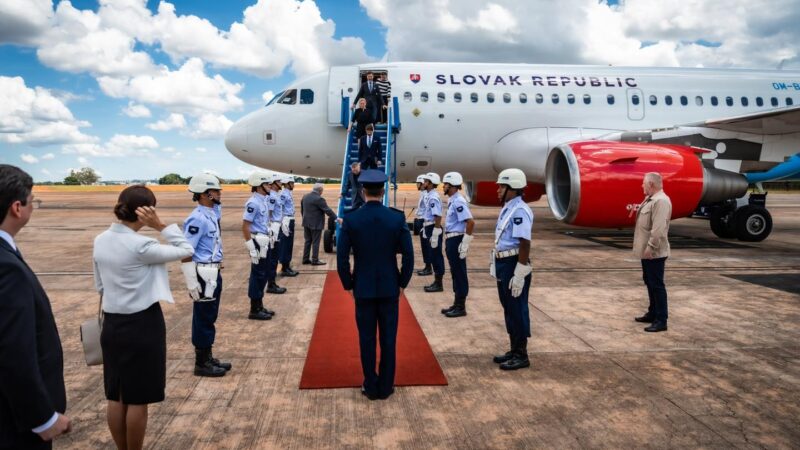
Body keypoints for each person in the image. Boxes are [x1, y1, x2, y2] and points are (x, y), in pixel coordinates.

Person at [93, 185, 195, 450]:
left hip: (112, 324)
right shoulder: (142, 245)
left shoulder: (101, 239)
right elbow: (187, 249)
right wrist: (160, 225)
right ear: (146, 211)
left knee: (116, 395)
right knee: (139, 398)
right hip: (142, 325)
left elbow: (100, 286)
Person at [0, 165, 70, 449]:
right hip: (14, 422)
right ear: (17, 207)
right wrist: (42, 418)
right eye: (32, 200)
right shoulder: (6, 267)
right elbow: (13, 352)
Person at [336, 170, 413, 400]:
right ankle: (386, 386)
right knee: (389, 339)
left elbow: (342, 258)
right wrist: (402, 283)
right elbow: (408, 255)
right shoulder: (396, 218)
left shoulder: (351, 219)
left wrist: (348, 284)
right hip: (390, 288)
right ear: (383, 191)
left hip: (363, 288)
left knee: (367, 339)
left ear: (362, 191)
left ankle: (370, 385)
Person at [182, 173, 230, 378]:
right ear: (205, 194)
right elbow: (186, 250)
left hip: (212, 271)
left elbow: (217, 213)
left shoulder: (211, 213)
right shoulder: (197, 219)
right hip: (203, 274)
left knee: (210, 315)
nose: (220, 193)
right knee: (203, 317)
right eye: (216, 190)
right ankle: (201, 363)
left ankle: (208, 356)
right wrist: (191, 281)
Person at [491, 168, 534, 371]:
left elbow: (524, 243)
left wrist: (519, 272)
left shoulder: (520, 210)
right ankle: (513, 348)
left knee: (517, 308)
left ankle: (521, 354)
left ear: (513, 188)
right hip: (504, 263)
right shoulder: (509, 207)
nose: (498, 189)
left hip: (514, 263)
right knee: (508, 306)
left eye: (502, 186)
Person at [633, 172, 672, 333]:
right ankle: (652, 313)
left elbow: (658, 229)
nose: (642, 186)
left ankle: (661, 320)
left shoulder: (661, 201)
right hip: (646, 252)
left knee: (657, 285)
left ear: (651, 184)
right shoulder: (652, 199)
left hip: (653, 252)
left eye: (643, 183)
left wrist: (650, 247)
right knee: (649, 282)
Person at [440, 172, 475, 318]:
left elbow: (470, 222)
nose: (444, 186)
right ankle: (457, 303)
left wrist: (465, 242)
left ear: (453, 185)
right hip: (451, 240)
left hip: (457, 240)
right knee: (455, 272)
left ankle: (461, 306)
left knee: (459, 273)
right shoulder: (453, 200)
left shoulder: (458, 201)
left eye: (446, 184)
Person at [242, 172, 274, 321]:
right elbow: (245, 226)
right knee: (257, 275)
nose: (270, 186)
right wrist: (251, 248)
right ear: (259, 186)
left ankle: (260, 305)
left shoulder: (264, 200)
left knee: (264, 273)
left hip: (264, 241)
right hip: (256, 242)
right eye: (267, 184)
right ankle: (254, 309)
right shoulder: (253, 203)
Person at [301, 183, 338, 265]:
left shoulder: (305, 196)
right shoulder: (319, 199)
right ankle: (315, 260)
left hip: (306, 222)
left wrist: (305, 219)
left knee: (307, 241)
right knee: (315, 242)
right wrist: (337, 218)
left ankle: (305, 259)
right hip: (316, 224)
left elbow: (302, 210)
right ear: (320, 190)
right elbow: (328, 211)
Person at [421, 172, 445, 293]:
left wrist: (435, 231)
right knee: (433, 254)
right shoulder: (430, 195)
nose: (423, 183)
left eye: (426, 181)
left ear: (430, 184)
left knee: (436, 256)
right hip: (429, 227)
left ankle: (438, 283)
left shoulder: (433, 197)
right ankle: (436, 282)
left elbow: (437, 216)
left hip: (433, 227)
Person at [265, 174, 287, 294]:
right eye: (278, 181)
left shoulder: (276, 195)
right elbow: (269, 213)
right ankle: (271, 284)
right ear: (273, 183)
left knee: (275, 257)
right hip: (274, 228)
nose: (281, 183)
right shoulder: (272, 197)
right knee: (273, 258)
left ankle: (272, 283)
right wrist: (271, 228)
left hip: (277, 226)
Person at [279, 175, 299, 277]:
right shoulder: (283, 194)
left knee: (289, 244)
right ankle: (284, 267)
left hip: (290, 219)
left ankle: (287, 266)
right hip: (286, 220)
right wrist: (283, 221)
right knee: (285, 244)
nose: (293, 185)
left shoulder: (288, 193)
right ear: (286, 184)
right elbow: (280, 208)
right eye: (292, 183)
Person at [414, 174, 432, 276]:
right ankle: (427, 266)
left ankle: (428, 267)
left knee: (426, 246)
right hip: (421, 221)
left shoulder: (426, 195)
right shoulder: (423, 194)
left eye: (418, 183)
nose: (417, 185)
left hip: (424, 222)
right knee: (424, 246)